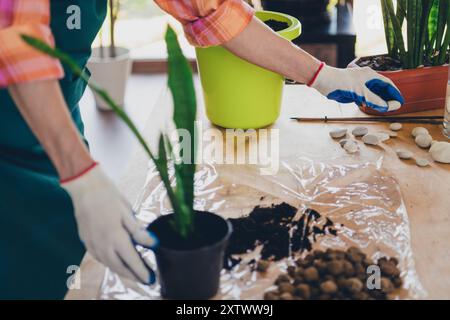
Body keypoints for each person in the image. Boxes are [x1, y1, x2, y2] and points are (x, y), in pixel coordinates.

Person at [0, 0, 403, 299]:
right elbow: (19, 47)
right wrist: (81, 175)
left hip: (54, 126)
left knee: (67, 265)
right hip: (17, 122)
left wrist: (322, 75)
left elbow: (213, 11)